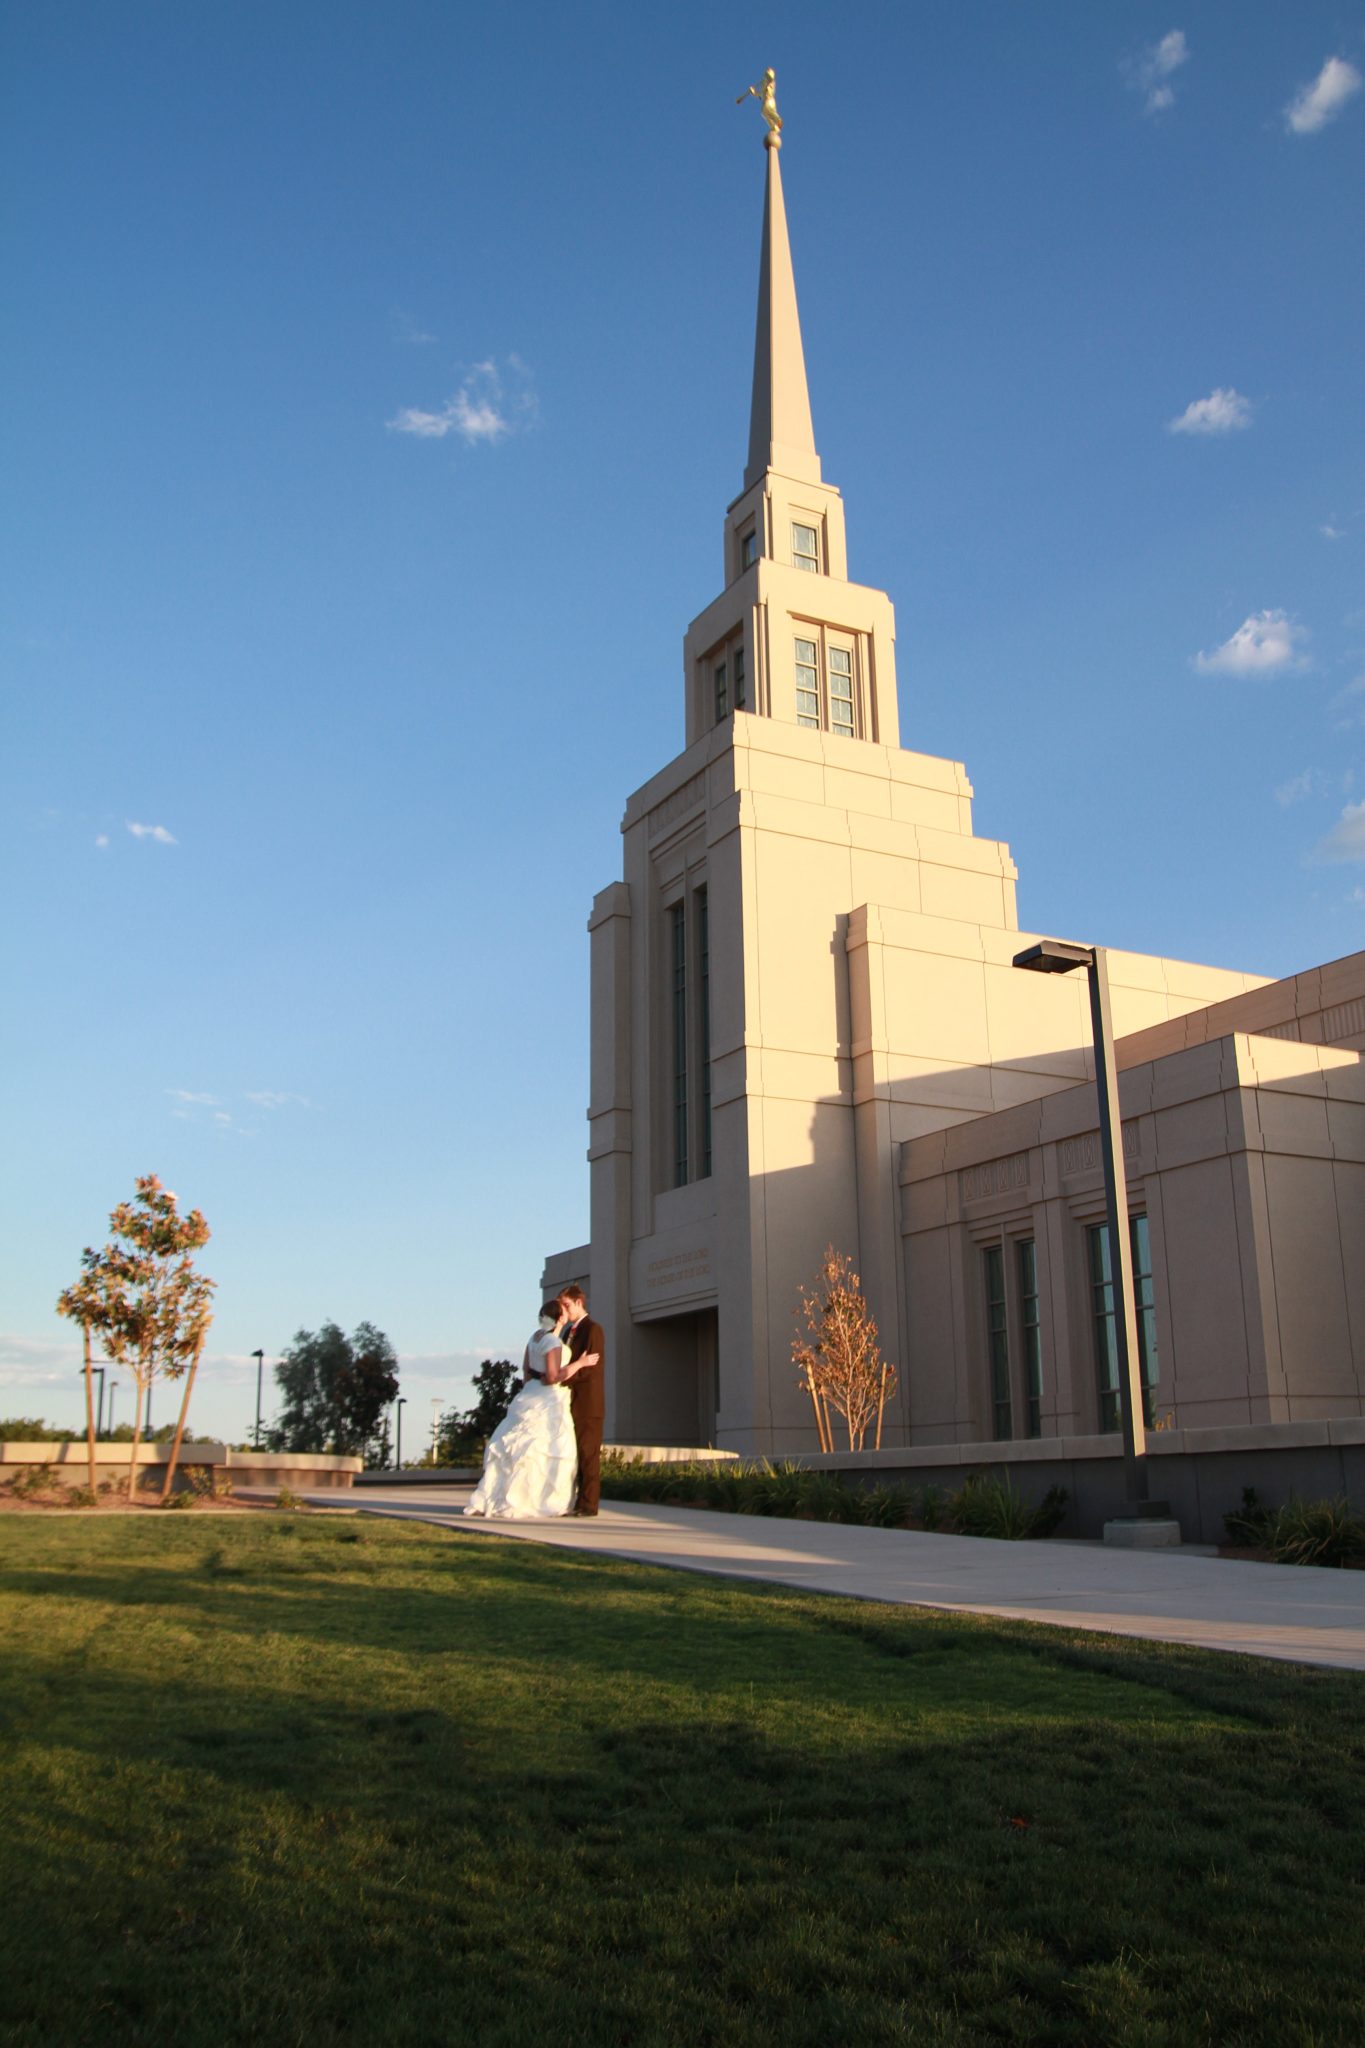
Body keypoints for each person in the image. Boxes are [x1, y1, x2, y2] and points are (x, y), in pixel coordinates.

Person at [464, 1302, 598, 1520]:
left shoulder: (533, 1339)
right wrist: (579, 1364)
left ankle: (502, 1496)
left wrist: (531, 1388)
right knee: (548, 1447)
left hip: (528, 1393)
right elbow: (553, 1376)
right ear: (560, 1318)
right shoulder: (552, 1341)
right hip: (548, 1398)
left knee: (519, 1448)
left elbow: (526, 1371)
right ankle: (541, 1501)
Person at [557, 1284, 606, 1517]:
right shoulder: (567, 1333)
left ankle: (589, 1505)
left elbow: (590, 1369)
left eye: (567, 1306)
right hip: (569, 1403)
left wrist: (563, 1378)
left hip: (588, 1404)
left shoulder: (593, 1330)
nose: (564, 1312)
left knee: (588, 1455)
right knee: (574, 1454)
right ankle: (576, 1501)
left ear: (579, 1302)